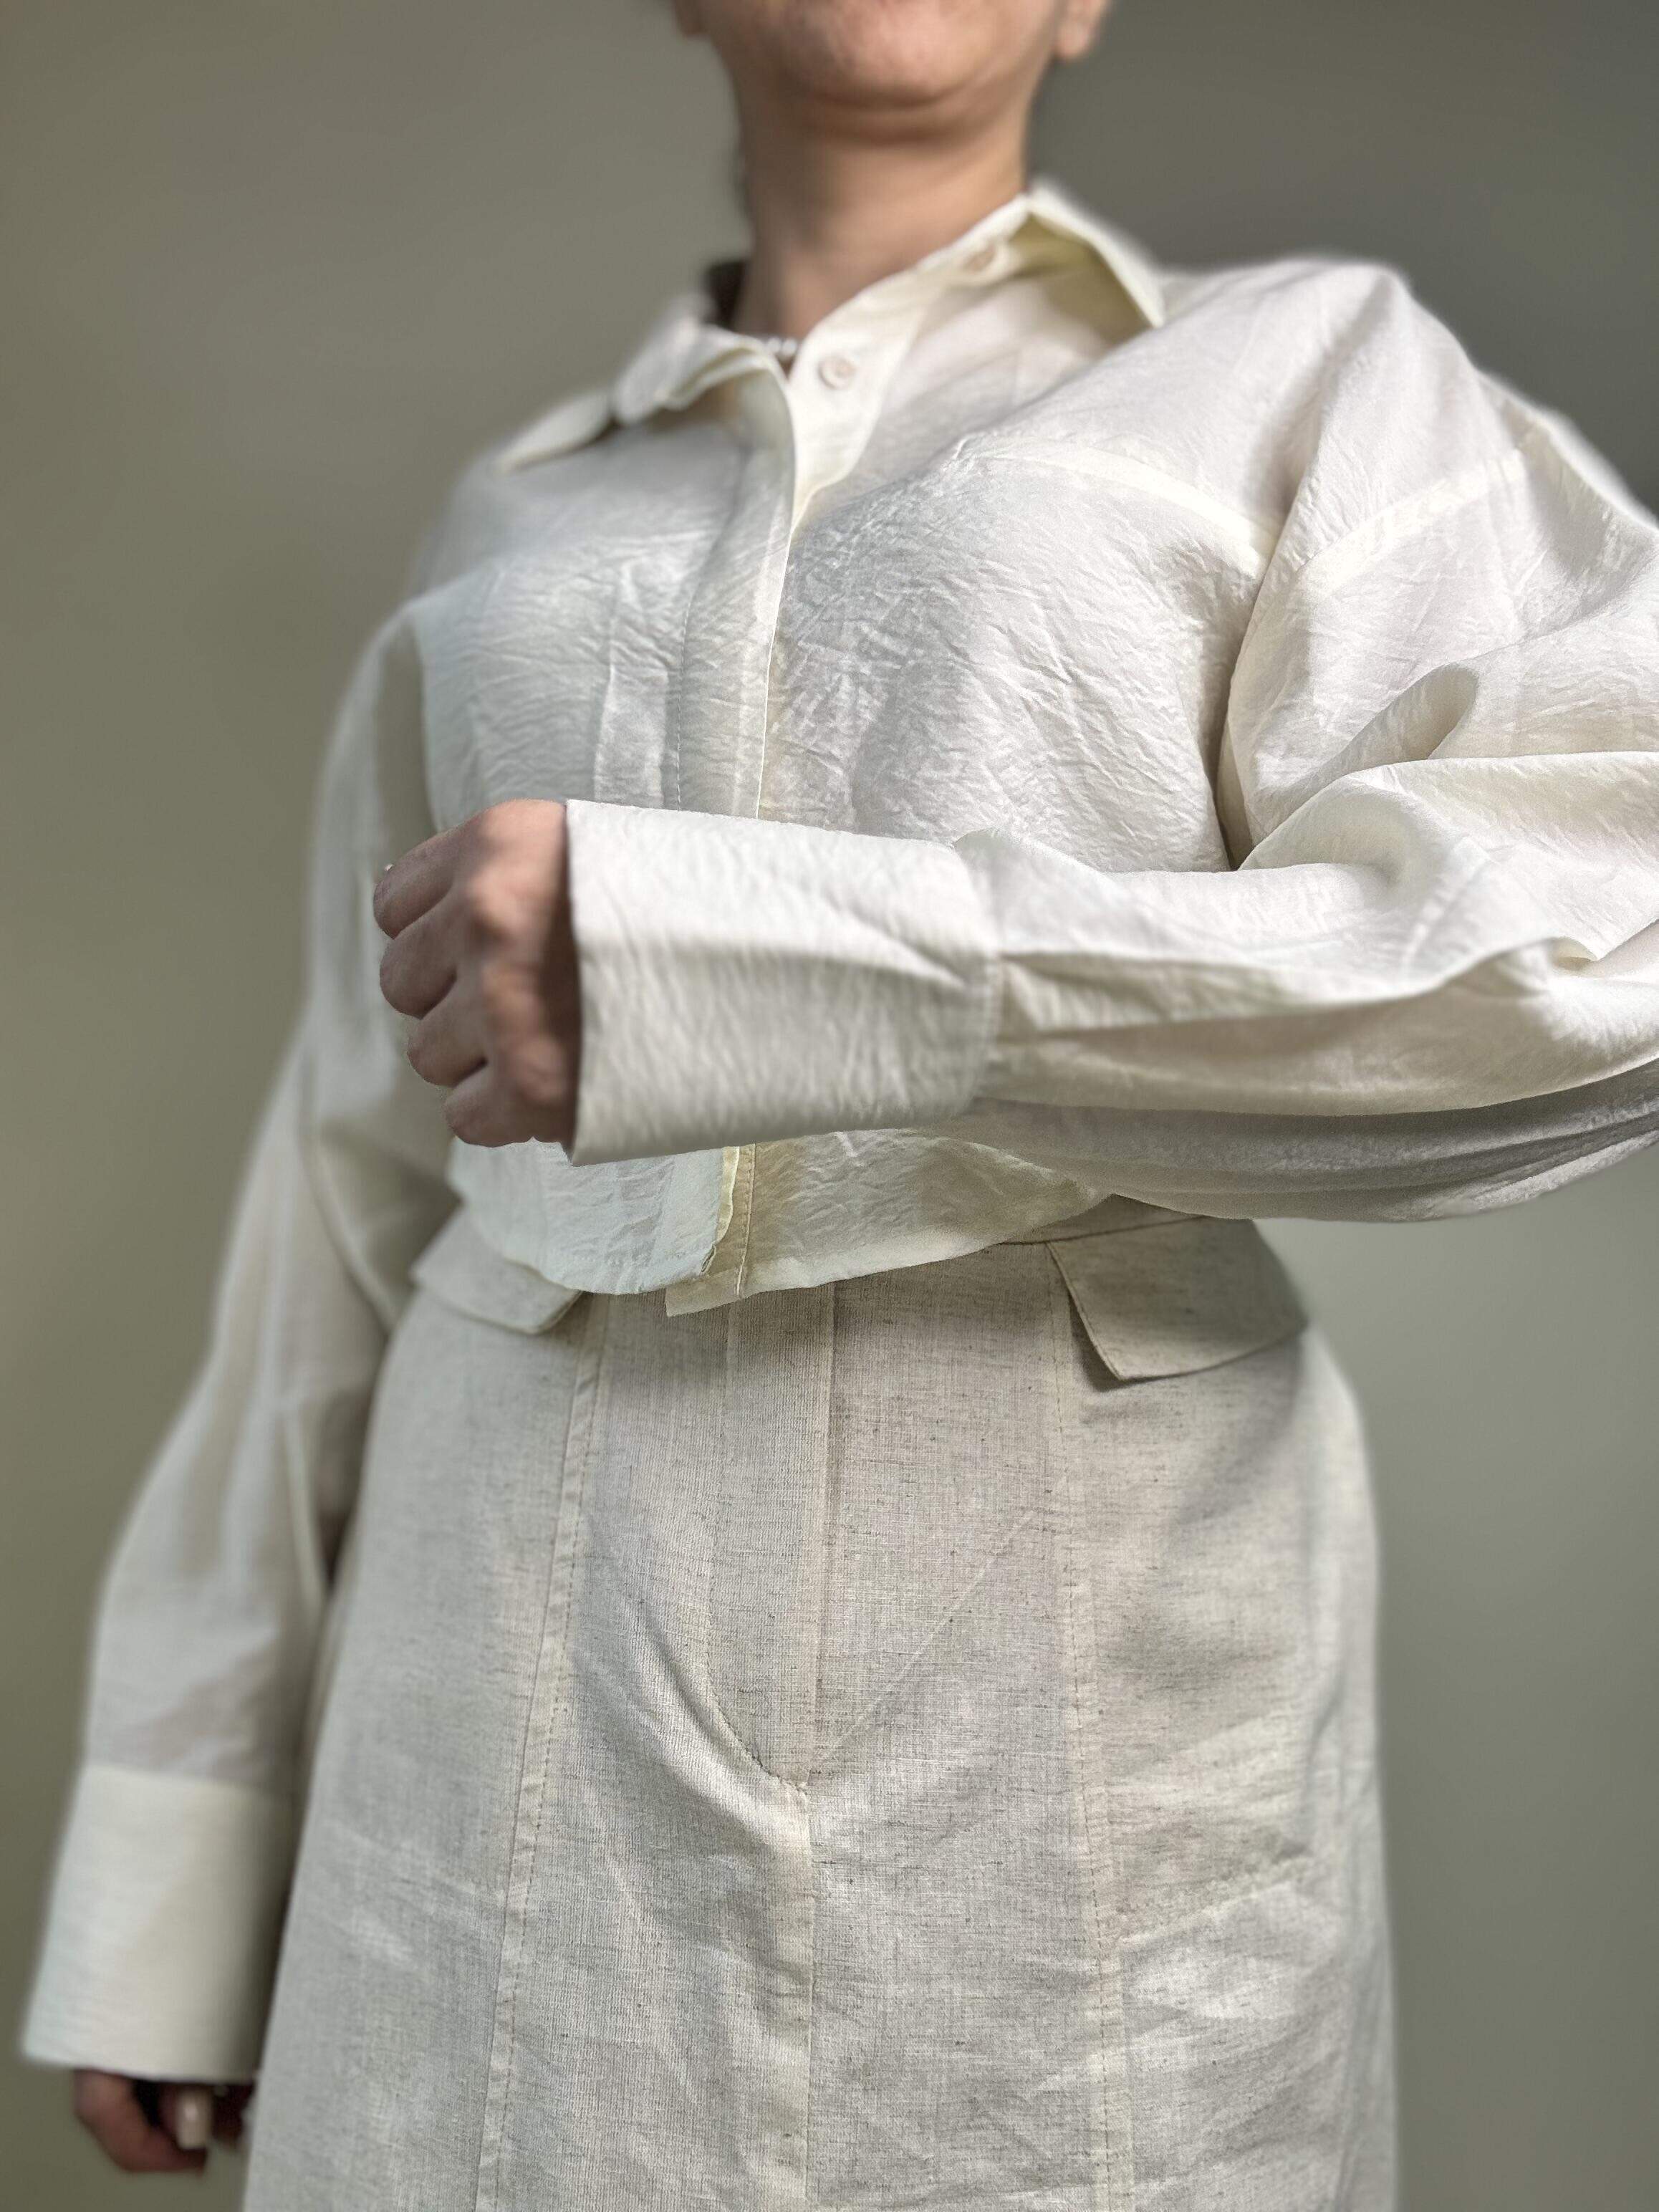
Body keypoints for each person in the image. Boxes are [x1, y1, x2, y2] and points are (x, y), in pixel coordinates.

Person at [21, 1, 1659, 2205]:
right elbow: (346, 1186)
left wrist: (774, 969)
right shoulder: (517, 514)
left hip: (1070, 1714)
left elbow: (1598, 947)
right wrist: (182, 1871)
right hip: (492, 1702)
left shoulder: (1306, 384)